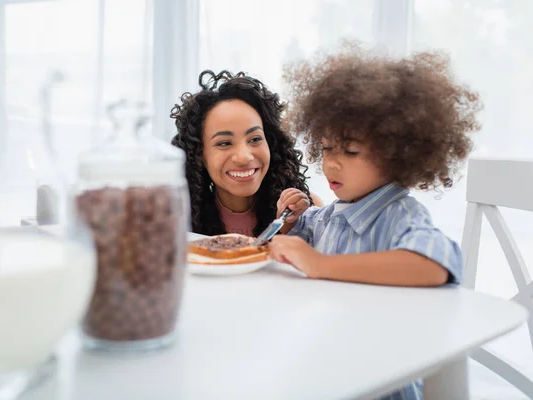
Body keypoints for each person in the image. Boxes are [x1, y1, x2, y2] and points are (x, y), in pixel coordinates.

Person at [269, 44, 482, 399]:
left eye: (350, 151)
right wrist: (288, 223)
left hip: (382, 386)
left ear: (400, 154)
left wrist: (321, 264)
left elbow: (434, 265)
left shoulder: (399, 216)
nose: (332, 164)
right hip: (327, 373)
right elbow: (294, 245)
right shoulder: (330, 216)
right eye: (326, 149)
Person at [171, 70, 321, 237]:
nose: (244, 157)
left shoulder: (309, 211)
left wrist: (290, 226)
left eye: (255, 139)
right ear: (199, 155)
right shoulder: (177, 220)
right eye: (224, 143)